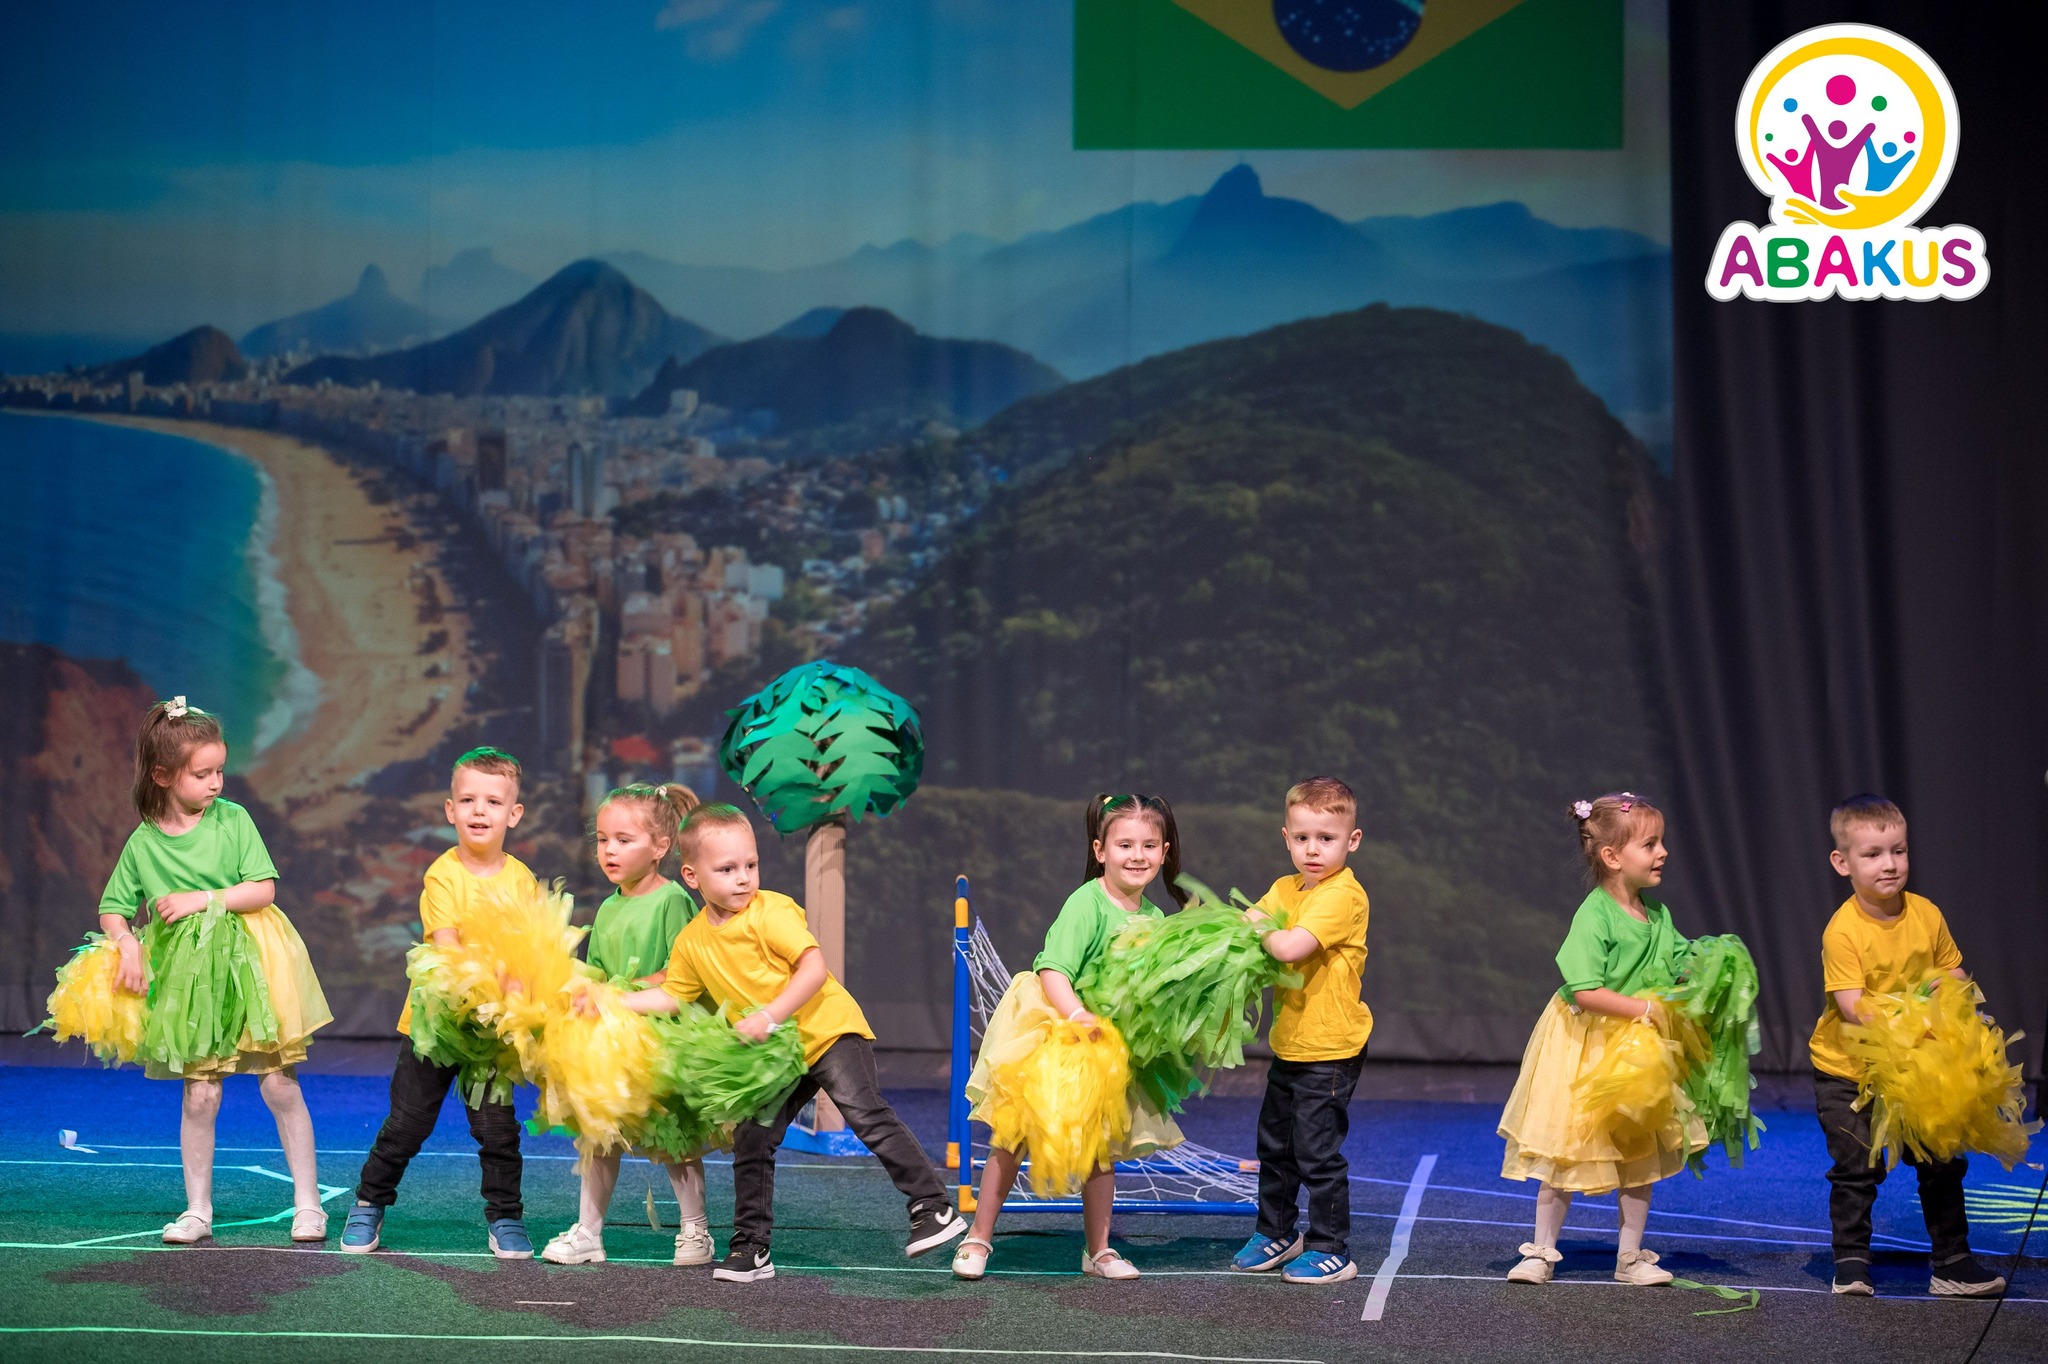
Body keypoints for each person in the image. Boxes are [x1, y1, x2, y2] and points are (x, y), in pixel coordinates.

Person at [618, 803, 966, 1282]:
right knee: (752, 1138)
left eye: (751, 864)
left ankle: (932, 1206)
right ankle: (751, 1247)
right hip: (777, 1058)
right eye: (727, 869)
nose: (744, 878)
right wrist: (614, 1001)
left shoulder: (771, 912)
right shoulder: (692, 941)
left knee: (865, 1112)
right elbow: (674, 995)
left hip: (827, 1031)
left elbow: (814, 969)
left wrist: (769, 1014)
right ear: (692, 876)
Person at [99, 698, 332, 1245]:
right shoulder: (144, 841)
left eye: (220, 771)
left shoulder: (233, 820)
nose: (216, 783)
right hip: (191, 983)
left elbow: (263, 889)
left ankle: (309, 1205)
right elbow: (113, 907)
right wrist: (126, 942)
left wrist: (203, 899)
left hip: (251, 965)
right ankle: (197, 1211)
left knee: (279, 1084)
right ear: (163, 776)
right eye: (202, 774)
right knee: (200, 1094)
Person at [952, 793, 1190, 1283]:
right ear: (1100, 850)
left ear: (1164, 852)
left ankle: (1099, 1250)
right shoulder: (1087, 903)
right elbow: (1053, 970)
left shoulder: (1155, 919)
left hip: (1102, 1048)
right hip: (1055, 1035)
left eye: (1149, 846)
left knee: (1101, 1148)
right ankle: (978, 1237)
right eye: (1125, 845)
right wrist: (1078, 1015)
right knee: (1014, 1137)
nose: (1137, 856)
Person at [1498, 792, 1705, 1287]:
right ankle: (1541, 1251)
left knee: (1638, 1152)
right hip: (1585, 1046)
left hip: (1636, 1052)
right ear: (1612, 856)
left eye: (1661, 842)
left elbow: (1678, 962)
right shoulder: (1596, 915)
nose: (1663, 852)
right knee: (1566, 1149)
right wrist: (1646, 1009)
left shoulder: (1657, 915)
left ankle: (1629, 1257)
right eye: (1650, 844)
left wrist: (1703, 969)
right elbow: (1586, 990)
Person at [340, 747, 538, 1259]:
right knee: (407, 1123)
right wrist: (495, 976)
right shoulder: (442, 875)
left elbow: (531, 950)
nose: (479, 810)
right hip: (436, 1027)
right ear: (450, 810)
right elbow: (448, 945)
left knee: (497, 1131)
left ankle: (506, 1216)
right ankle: (368, 1201)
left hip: (491, 1032)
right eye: (467, 800)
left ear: (514, 814)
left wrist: (520, 990)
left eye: (493, 802)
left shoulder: (521, 881)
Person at [1808, 794, 2006, 1298]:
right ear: (1842, 863)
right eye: (1873, 854)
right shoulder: (1843, 931)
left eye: (1898, 850)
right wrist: (1909, 1018)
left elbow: (1953, 971)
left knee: (1942, 1161)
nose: (1890, 864)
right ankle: (1851, 1261)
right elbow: (1853, 1007)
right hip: (1849, 1070)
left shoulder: (1926, 913)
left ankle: (1952, 1262)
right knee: (1857, 1166)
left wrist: (1948, 985)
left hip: (1917, 1066)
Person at [542, 782, 715, 1268]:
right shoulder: (608, 907)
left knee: (673, 1136)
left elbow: (680, 975)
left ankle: (696, 1229)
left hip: (660, 1036)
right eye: (602, 840)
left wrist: (619, 994)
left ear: (660, 847)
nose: (609, 850)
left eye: (623, 839)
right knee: (599, 1132)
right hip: (611, 1041)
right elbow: (597, 971)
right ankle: (589, 1232)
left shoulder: (672, 901)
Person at [1231, 776, 1372, 1285]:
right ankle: (1276, 1232)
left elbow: (1288, 946)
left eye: (1326, 838)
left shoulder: (1342, 895)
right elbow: (1248, 920)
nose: (1313, 850)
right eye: (1303, 838)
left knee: (1317, 1153)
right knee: (1276, 1147)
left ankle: (1331, 1247)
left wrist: (1260, 926)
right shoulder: (1286, 888)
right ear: (1286, 837)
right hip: (1291, 1044)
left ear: (1352, 841)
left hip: (1330, 1049)